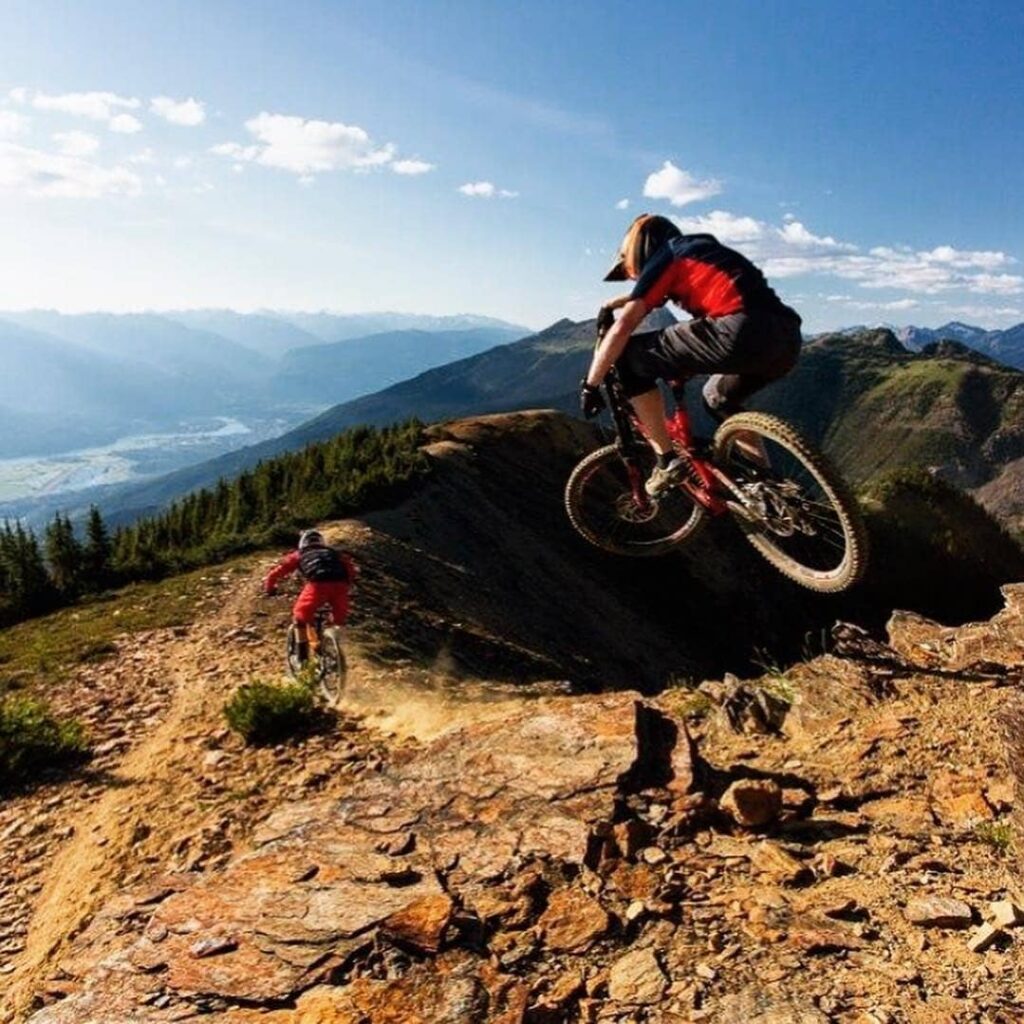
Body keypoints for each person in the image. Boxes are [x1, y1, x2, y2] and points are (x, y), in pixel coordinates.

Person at [580, 213, 803, 495]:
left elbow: (623, 327)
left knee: (625, 359)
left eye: (629, 270)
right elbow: (666, 292)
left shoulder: (666, 256)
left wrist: (591, 383)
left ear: (638, 248)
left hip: (739, 330)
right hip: (786, 337)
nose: (633, 278)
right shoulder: (700, 250)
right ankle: (768, 484)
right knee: (718, 398)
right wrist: (613, 301)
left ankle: (666, 461)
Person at [263, 529, 356, 664]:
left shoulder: (298, 555)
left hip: (317, 586)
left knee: (300, 616)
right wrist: (348, 584)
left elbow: (275, 574)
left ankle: (303, 658)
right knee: (337, 621)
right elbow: (351, 570)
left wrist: (270, 589)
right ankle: (332, 645)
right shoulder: (334, 554)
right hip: (341, 586)